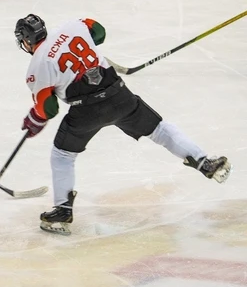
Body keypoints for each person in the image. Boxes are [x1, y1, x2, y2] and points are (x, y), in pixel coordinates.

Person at [14, 14, 231, 235]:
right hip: (119, 96)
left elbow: (48, 108)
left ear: (27, 40)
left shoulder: (36, 67)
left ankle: (62, 211)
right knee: (159, 130)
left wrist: (34, 119)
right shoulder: (72, 25)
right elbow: (99, 32)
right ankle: (205, 163)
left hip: (85, 112)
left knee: (62, 155)